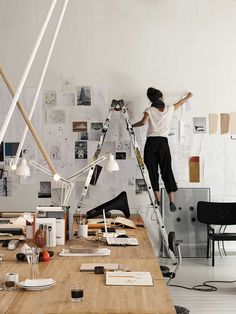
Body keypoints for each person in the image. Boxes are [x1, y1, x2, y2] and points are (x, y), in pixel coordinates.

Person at [132, 88, 193, 211]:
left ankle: (158, 200)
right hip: (163, 143)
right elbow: (181, 103)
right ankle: (171, 201)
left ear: (151, 99)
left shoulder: (149, 110)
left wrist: (131, 125)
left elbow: (143, 123)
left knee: (153, 171)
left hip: (151, 143)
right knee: (166, 170)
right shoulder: (169, 109)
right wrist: (189, 96)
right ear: (160, 97)